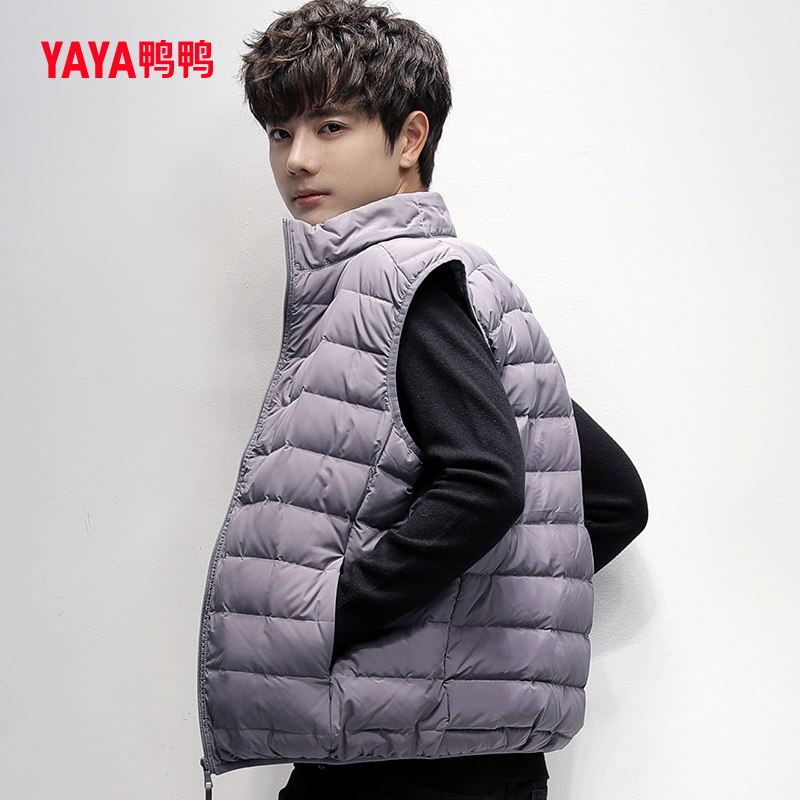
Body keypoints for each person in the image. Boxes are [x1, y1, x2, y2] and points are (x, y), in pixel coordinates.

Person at [197, 2, 648, 798]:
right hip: (449, 758)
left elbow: (484, 483)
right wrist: (461, 615)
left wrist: (336, 612)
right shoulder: (435, 285)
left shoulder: (399, 282)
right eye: (279, 132)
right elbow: (610, 497)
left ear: (410, 139)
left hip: (400, 771)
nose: (297, 159)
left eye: (329, 127)